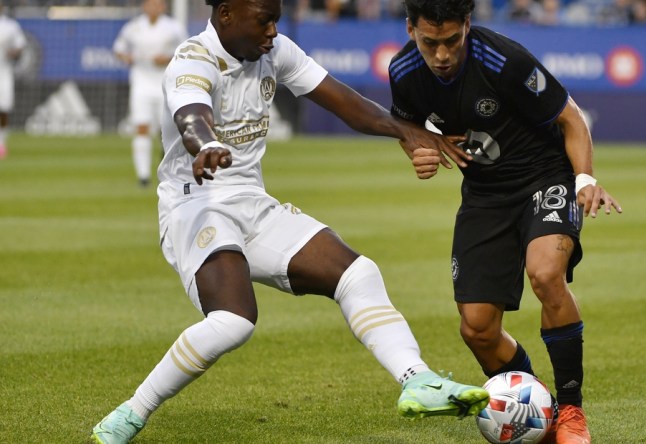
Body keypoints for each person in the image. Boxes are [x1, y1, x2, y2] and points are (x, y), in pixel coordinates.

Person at [89, 0, 489, 442]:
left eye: (277, 19)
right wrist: (204, 144)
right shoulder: (193, 59)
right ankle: (128, 415)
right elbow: (191, 115)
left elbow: (345, 102)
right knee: (234, 321)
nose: (273, 30)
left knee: (357, 273)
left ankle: (418, 379)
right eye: (265, 19)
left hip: (251, 203)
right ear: (226, 14)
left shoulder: (274, 51)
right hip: (195, 206)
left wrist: (409, 132)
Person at [388, 1, 623, 443]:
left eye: (452, 41)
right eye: (429, 43)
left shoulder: (504, 59)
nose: (441, 55)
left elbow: (571, 119)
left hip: (544, 175)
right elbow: (405, 125)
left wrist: (585, 179)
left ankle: (571, 410)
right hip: (485, 194)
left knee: (546, 273)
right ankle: (539, 410)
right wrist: (421, 149)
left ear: (468, 27)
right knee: (476, 327)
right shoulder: (402, 71)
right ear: (410, 30)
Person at [113, 0, 187, 187]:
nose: (153, 8)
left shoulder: (174, 27)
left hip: (166, 82)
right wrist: (127, 57)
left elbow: (187, 51)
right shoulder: (134, 27)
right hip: (141, 82)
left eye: (158, 4)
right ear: (144, 6)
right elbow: (119, 49)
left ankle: (169, 166)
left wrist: (168, 58)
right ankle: (143, 176)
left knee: (167, 129)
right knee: (142, 127)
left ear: (163, 7)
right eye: (150, 4)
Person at [0, 1, 26, 159]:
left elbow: (20, 45)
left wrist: (14, 52)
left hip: (3, 72)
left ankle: (1, 142)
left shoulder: (11, 26)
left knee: (3, 108)